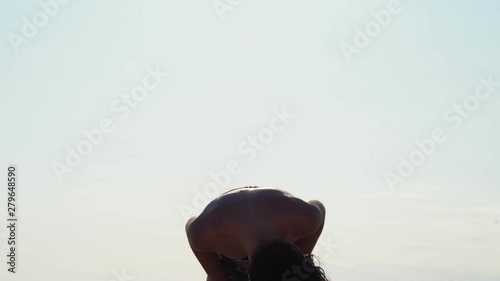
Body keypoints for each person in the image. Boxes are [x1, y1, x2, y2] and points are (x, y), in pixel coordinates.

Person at [185, 186, 329, 281]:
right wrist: (217, 275)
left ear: (295, 248)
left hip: (268, 215)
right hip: (226, 225)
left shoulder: (307, 218)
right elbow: (190, 225)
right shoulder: (205, 234)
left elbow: (319, 206)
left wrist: (305, 254)